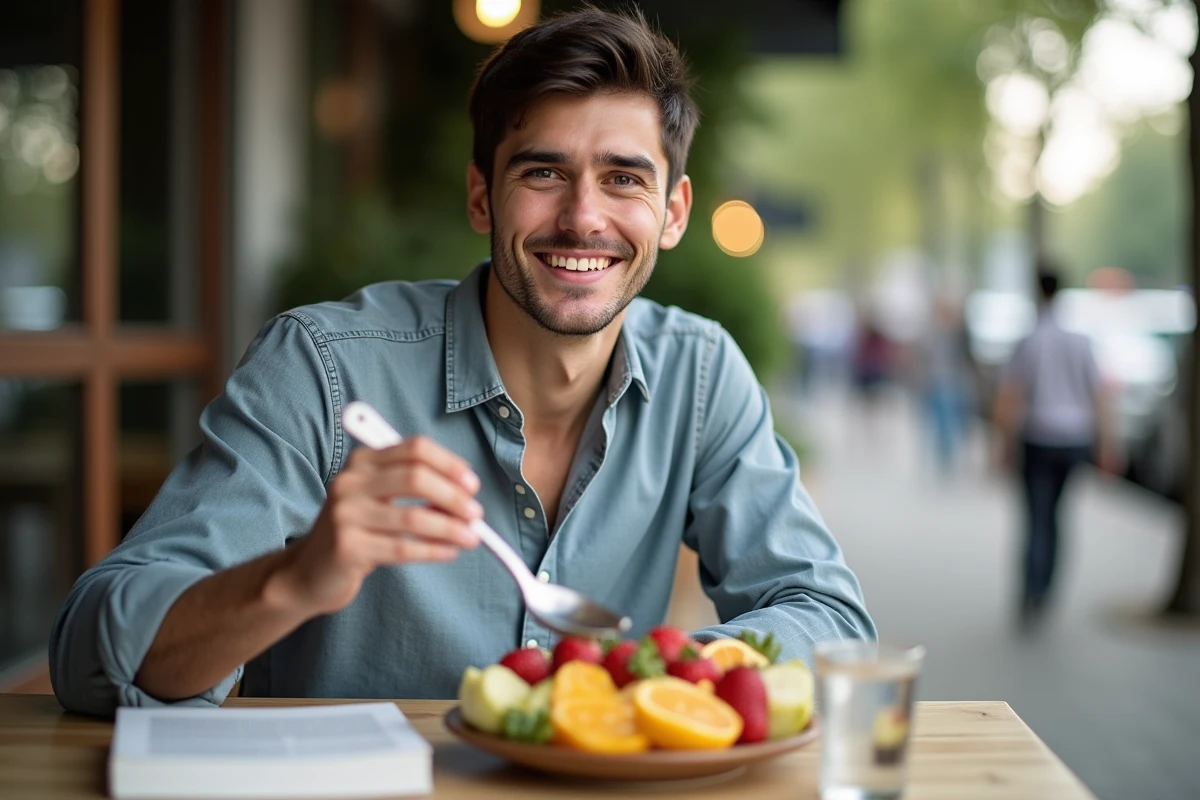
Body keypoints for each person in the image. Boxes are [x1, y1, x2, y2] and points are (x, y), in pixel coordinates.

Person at [49, 7, 875, 716]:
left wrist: (661, 680)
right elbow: (93, 649)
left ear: (672, 212)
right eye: (543, 171)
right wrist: (294, 578)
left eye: (624, 178)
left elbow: (827, 613)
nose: (583, 218)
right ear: (482, 194)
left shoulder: (701, 377)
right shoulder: (323, 368)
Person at [992, 267, 1118, 627]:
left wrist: (1001, 442)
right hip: (1074, 439)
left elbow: (1010, 394)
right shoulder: (1081, 340)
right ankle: (1046, 588)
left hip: (1037, 439)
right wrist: (1107, 443)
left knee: (1036, 517)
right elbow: (1099, 395)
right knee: (1058, 517)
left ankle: (1030, 589)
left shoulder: (1029, 339)